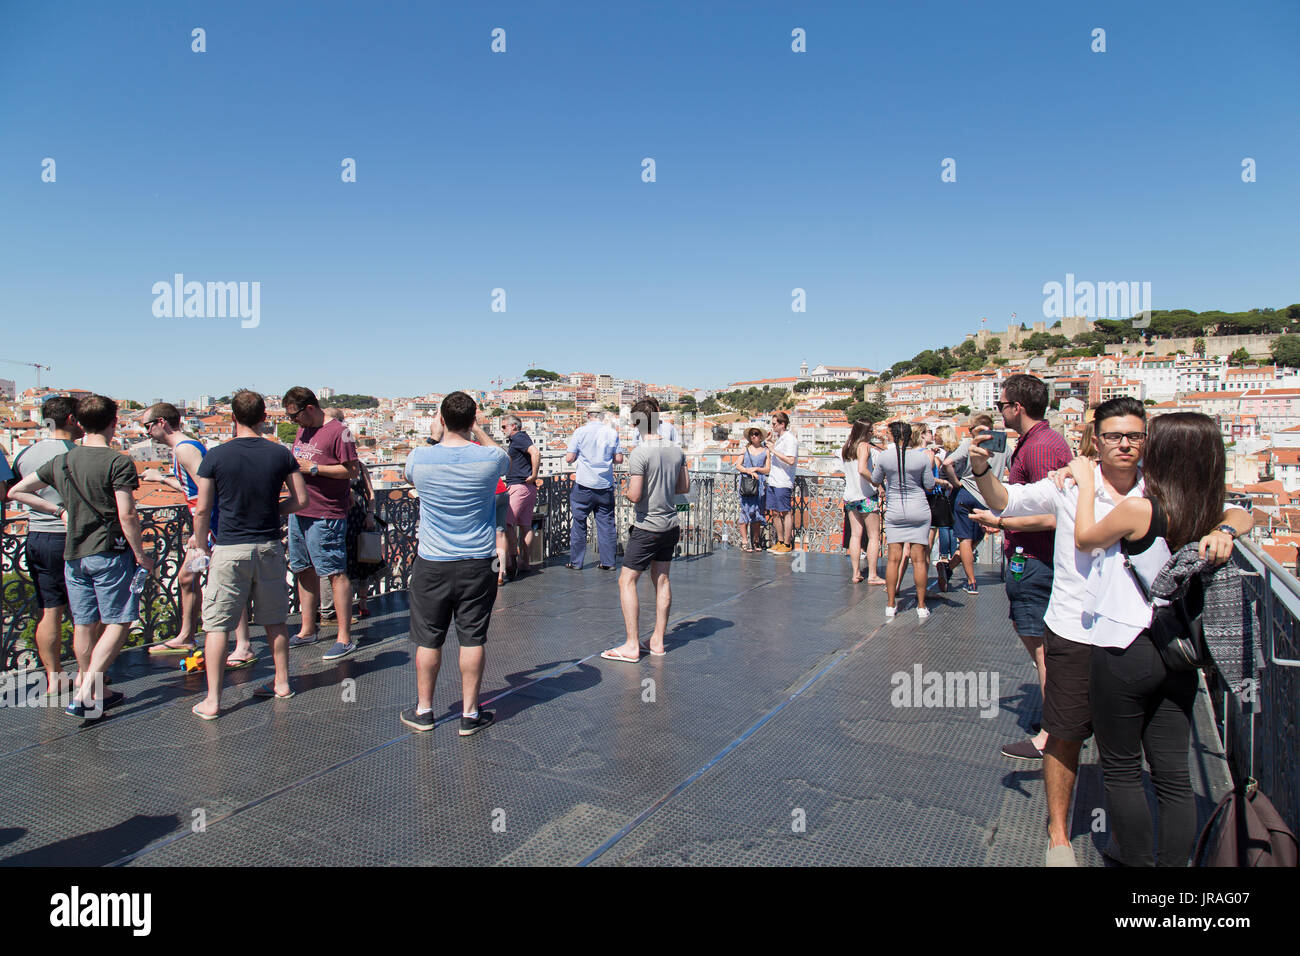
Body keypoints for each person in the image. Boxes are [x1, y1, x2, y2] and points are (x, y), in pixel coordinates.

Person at [1069, 412, 1251, 866]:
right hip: (1180, 655)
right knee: (1173, 775)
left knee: (1124, 771)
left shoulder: (1141, 509)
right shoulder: (1211, 513)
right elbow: (1245, 514)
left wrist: (1086, 484)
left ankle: (1135, 863)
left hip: (1126, 647)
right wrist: (1225, 531)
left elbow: (1087, 538)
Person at [8, 394, 154, 717]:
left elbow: (16, 491)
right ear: (114, 423)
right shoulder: (118, 462)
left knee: (84, 624)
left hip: (72, 554)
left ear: (80, 422)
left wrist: (57, 510)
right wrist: (141, 554)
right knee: (121, 619)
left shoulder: (61, 461)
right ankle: (88, 690)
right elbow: (127, 513)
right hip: (108, 552)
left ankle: (92, 691)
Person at [187, 391, 309, 718]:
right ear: (264, 418)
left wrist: (200, 546)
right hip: (268, 546)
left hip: (229, 548)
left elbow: (202, 509)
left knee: (217, 626)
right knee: (275, 621)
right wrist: (272, 510)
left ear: (232, 418)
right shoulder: (280, 453)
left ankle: (213, 700)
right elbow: (301, 500)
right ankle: (281, 682)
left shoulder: (216, 456)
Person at [399, 391, 508, 736]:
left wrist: (434, 436)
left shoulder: (420, 457)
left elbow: (409, 476)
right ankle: (470, 714)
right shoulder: (490, 459)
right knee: (472, 638)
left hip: (432, 561)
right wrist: (478, 430)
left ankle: (424, 710)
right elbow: (502, 455)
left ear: (442, 420)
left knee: (429, 639)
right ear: (473, 420)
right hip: (479, 561)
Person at [984, 374, 1072, 762]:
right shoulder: (1041, 444)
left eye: (1002, 405)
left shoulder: (1040, 449)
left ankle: (1053, 733)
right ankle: (1060, 724)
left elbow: (1057, 515)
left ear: (1017, 407)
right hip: (1031, 557)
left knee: (1045, 651)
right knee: (1042, 646)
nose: (999, 411)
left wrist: (1003, 522)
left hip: (1036, 559)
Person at [601, 400, 689, 662]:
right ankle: (658, 642)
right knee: (662, 579)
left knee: (626, 581)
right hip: (670, 524)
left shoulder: (640, 453)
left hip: (647, 526)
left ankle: (631, 645)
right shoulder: (675, 450)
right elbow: (683, 487)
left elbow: (636, 494)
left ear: (637, 422)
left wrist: (628, 492)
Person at [6, 396, 82, 691]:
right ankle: (90, 673)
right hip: (75, 537)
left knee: (51, 610)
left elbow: (13, 491)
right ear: (73, 420)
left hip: (39, 536)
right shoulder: (78, 452)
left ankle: (53, 678)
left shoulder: (24, 453)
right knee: (84, 613)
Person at [282, 387, 362, 661]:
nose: (293, 422)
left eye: (295, 416)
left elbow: (351, 470)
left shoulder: (340, 431)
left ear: (310, 408)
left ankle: (344, 637)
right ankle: (307, 628)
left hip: (325, 512)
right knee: (303, 568)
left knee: (334, 571)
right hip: (300, 508)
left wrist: (313, 469)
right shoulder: (303, 430)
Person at [871, 421, 935, 619]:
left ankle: (891, 605)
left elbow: (875, 479)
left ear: (893, 435)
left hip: (896, 509)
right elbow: (929, 485)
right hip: (918, 508)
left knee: (893, 559)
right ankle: (921, 606)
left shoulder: (884, 456)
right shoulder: (922, 458)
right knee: (919, 560)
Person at [943, 413, 1011, 595]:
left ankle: (967, 579)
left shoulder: (970, 443)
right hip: (990, 498)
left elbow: (947, 462)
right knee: (975, 539)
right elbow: (1013, 470)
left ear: (975, 429)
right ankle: (955, 571)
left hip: (967, 494)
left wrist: (956, 482)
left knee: (965, 539)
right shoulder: (1004, 447)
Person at [565, 409, 622, 570]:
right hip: (604, 485)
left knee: (579, 524)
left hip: (584, 484)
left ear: (588, 416)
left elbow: (569, 458)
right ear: (603, 417)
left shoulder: (580, 432)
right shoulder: (611, 432)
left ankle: (576, 562)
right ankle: (608, 562)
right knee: (606, 525)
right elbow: (619, 458)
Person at [841, 420, 884, 583]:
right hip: (865, 495)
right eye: (871, 431)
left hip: (850, 496)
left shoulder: (847, 447)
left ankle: (855, 573)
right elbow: (862, 469)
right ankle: (872, 574)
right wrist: (876, 483)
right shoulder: (864, 446)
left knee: (855, 535)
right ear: (865, 432)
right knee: (873, 536)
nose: (872, 433)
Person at [501, 415, 541, 577]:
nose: (502, 429)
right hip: (528, 488)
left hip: (519, 485)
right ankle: (525, 562)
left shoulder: (518, 438)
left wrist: (534, 475)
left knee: (507, 523)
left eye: (504, 427)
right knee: (525, 525)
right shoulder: (521, 438)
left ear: (514, 427)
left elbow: (535, 453)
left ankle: (512, 561)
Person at [928, 425, 960, 591]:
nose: (935, 437)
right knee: (948, 526)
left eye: (938, 435)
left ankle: (945, 557)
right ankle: (949, 558)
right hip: (950, 491)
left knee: (945, 526)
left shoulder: (946, 454)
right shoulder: (955, 451)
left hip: (946, 492)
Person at [765, 411, 799, 553]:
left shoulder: (790, 439)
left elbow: (790, 460)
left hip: (783, 481)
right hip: (773, 480)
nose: (772, 426)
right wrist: (771, 443)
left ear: (782, 424)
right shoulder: (780, 439)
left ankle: (786, 543)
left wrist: (773, 450)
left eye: (774, 424)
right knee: (774, 513)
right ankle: (779, 541)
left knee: (785, 512)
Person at [737, 427, 771, 551]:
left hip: (759, 484)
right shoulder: (744, 449)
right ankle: (744, 540)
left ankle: (756, 540)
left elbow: (767, 469)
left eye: (756, 434)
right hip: (747, 483)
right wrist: (748, 471)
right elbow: (738, 465)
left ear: (760, 436)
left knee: (757, 512)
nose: (753, 436)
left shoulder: (765, 451)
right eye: (751, 434)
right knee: (745, 511)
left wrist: (756, 469)